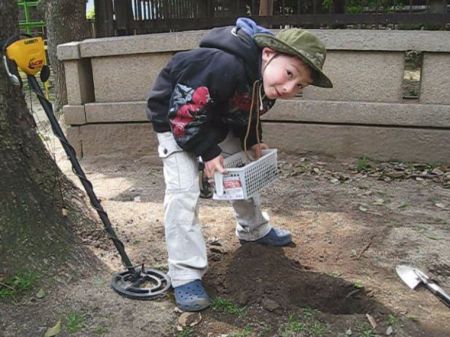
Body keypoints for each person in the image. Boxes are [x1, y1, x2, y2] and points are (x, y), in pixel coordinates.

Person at [146, 18, 332, 312]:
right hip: (177, 121)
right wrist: (208, 153)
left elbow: (247, 111)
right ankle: (184, 274)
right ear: (268, 53)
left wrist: (252, 140)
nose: (289, 87)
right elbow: (184, 114)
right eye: (289, 74)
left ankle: (253, 229)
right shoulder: (224, 65)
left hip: (214, 119)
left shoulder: (264, 80)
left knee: (246, 169)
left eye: (300, 85)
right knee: (183, 193)